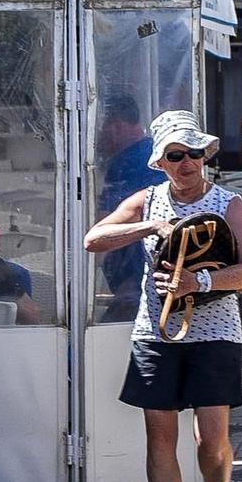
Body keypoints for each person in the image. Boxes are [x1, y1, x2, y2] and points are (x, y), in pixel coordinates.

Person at [84, 109, 242, 482]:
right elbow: (93, 239)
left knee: (211, 440)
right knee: (160, 440)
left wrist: (198, 281)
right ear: (159, 162)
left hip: (215, 333)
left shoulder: (230, 204)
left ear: (205, 154)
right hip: (157, 333)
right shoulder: (147, 200)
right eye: (175, 155)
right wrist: (147, 227)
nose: (186, 163)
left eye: (194, 153)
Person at [96, 93, 162, 319]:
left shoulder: (122, 163)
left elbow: (107, 222)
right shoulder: (157, 152)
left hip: (133, 269)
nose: (100, 135)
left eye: (102, 127)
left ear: (115, 126)